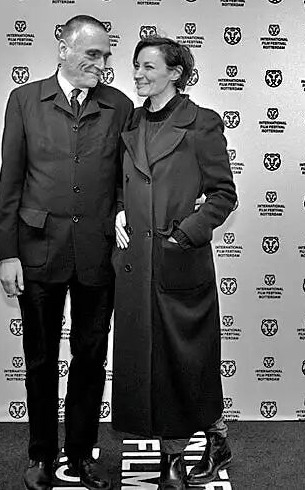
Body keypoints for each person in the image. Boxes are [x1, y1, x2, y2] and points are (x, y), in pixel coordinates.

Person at [0, 15, 133, 490]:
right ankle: (41, 456)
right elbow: (11, 181)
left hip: (97, 252)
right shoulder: (24, 101)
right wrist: (7, 253)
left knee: (90, 359)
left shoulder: (119, 105)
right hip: (38, 250)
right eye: (92, 54)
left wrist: (123, 210)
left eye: (106, 55)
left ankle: (80, 455)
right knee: (39, 360)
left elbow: (126, 179)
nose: (102, 63)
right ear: (64, 49)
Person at [112, 36, 237, 490]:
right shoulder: (131, 121)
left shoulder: (202, 123)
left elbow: (223, 194)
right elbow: (123, 182)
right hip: (135, 266)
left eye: (149, 66)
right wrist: (119, 209)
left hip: (179, 262)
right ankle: (200, 444)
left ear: (175, 73)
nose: (138, 74)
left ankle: (179, 456)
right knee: (149, 364)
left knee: (187, 364)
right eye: (136, 65)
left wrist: (185, 234)